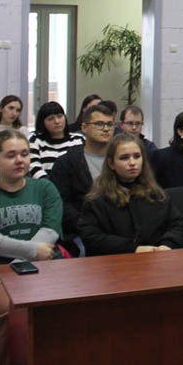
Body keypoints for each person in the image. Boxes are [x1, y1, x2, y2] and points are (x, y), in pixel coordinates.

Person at [0, 130, 63, 365]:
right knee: (18, 317)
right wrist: (32, 253)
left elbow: (50, 232)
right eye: (11, 155)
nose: (20, 160)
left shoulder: (45, 188)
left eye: (24, 154)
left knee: (70, 310)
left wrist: (16, 265)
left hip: (42, 270)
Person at [79, 132, 183, 255]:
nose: (132, 163)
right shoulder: (97, 199)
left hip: (157, 258)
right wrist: (133, 249)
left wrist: (167, 244)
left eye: (137, 156)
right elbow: (92, 237)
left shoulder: (156, 194)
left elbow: (177, 225)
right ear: (111, 163)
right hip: (116, 261)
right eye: (124, 158)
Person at [49, 103, 116, 254]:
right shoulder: (67, 162)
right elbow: (61, 203)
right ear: (84, 127)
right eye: (99, 124)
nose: (106, 129)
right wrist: (89, 225)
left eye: (110, 124)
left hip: (117, 227)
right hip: (80, 231)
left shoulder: (120, 159)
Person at [27, 101, 85, 178]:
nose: (57, 121)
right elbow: (33, 166)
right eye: (50, 119)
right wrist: (48, 184)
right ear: (42, 122)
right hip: (44, 183)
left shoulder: (78, 139)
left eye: (60, 116)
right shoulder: (35, 139)